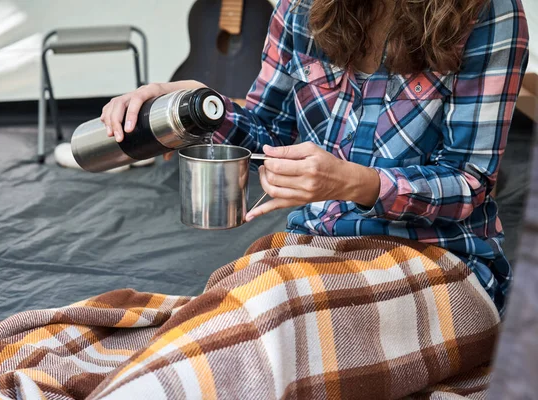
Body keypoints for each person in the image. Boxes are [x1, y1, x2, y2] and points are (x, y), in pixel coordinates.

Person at [102, 0, 528, 315]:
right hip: (313, 251)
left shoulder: (488, 12)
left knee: (269, 326)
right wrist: (194, 105)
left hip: (442, 262)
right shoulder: (302, 7)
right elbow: (267, 134)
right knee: (207, 317)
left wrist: (355, 182)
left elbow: (468, 182)